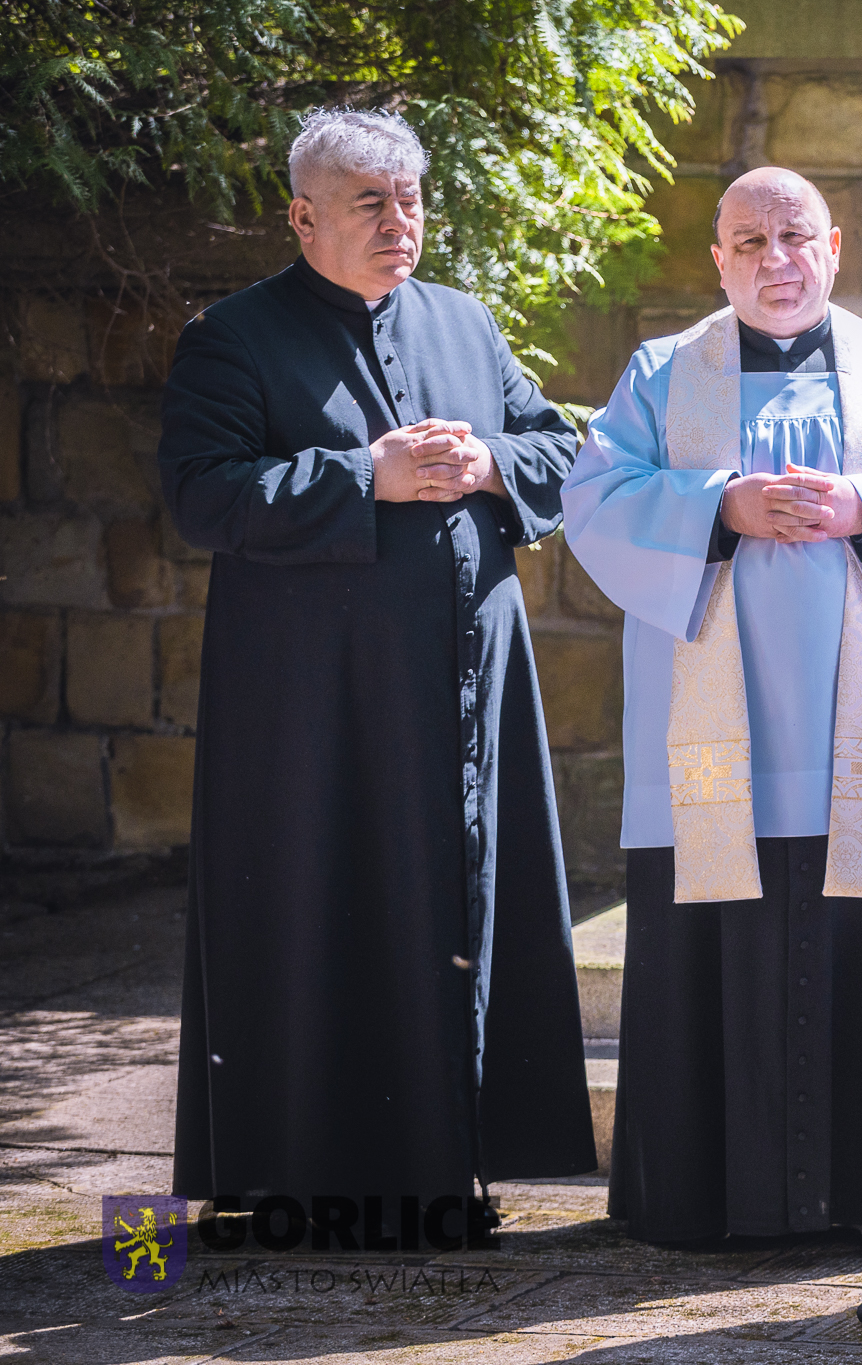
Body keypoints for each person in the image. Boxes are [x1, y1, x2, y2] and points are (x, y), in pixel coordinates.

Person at [160, 108, 594, 1243]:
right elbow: (202, 495)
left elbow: (560, 448)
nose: (400, 223)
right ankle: (298, 1187)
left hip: (465, 693)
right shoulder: (234, 337)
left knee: (456, 906)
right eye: (370, 203)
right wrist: (367, 474)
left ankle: (450, 1176)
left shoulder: (462, 319)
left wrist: (495, 460)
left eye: (410, 200)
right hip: (311, 706)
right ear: (303, 216)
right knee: (322, 908)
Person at [563, 167, 862, 1244]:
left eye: (793, 237)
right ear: (717, 258)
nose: (773, 261)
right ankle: (704, 1200)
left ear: (833, 246)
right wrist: (719, 506)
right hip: (716, 745)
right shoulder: (663, 373)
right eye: (747, 242)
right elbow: (593, 502)